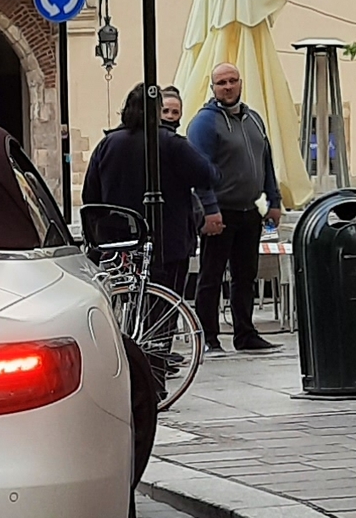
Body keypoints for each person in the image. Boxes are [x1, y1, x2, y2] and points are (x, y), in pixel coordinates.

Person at [186, 61, 282, 352]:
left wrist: (273, 199)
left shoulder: (254, 119)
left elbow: (266, 162)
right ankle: (208, 337)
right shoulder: (204, 123)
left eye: (232, 81)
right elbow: (199, 170)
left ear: (240, 83)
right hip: (220, 211)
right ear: (213, 88)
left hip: (248, 211)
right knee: (211, 277)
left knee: (245, 275)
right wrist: (210, 209)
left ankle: (245, 333)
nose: (228, 87)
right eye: (221, 83)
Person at [83, 85, 214, 294]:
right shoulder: (171, 143)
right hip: (168, 240)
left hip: (119, 240)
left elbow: (90, 195)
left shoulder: (107, 144)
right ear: (157, 111)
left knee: (124, 299)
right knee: (165, 307)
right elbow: (207, 175)